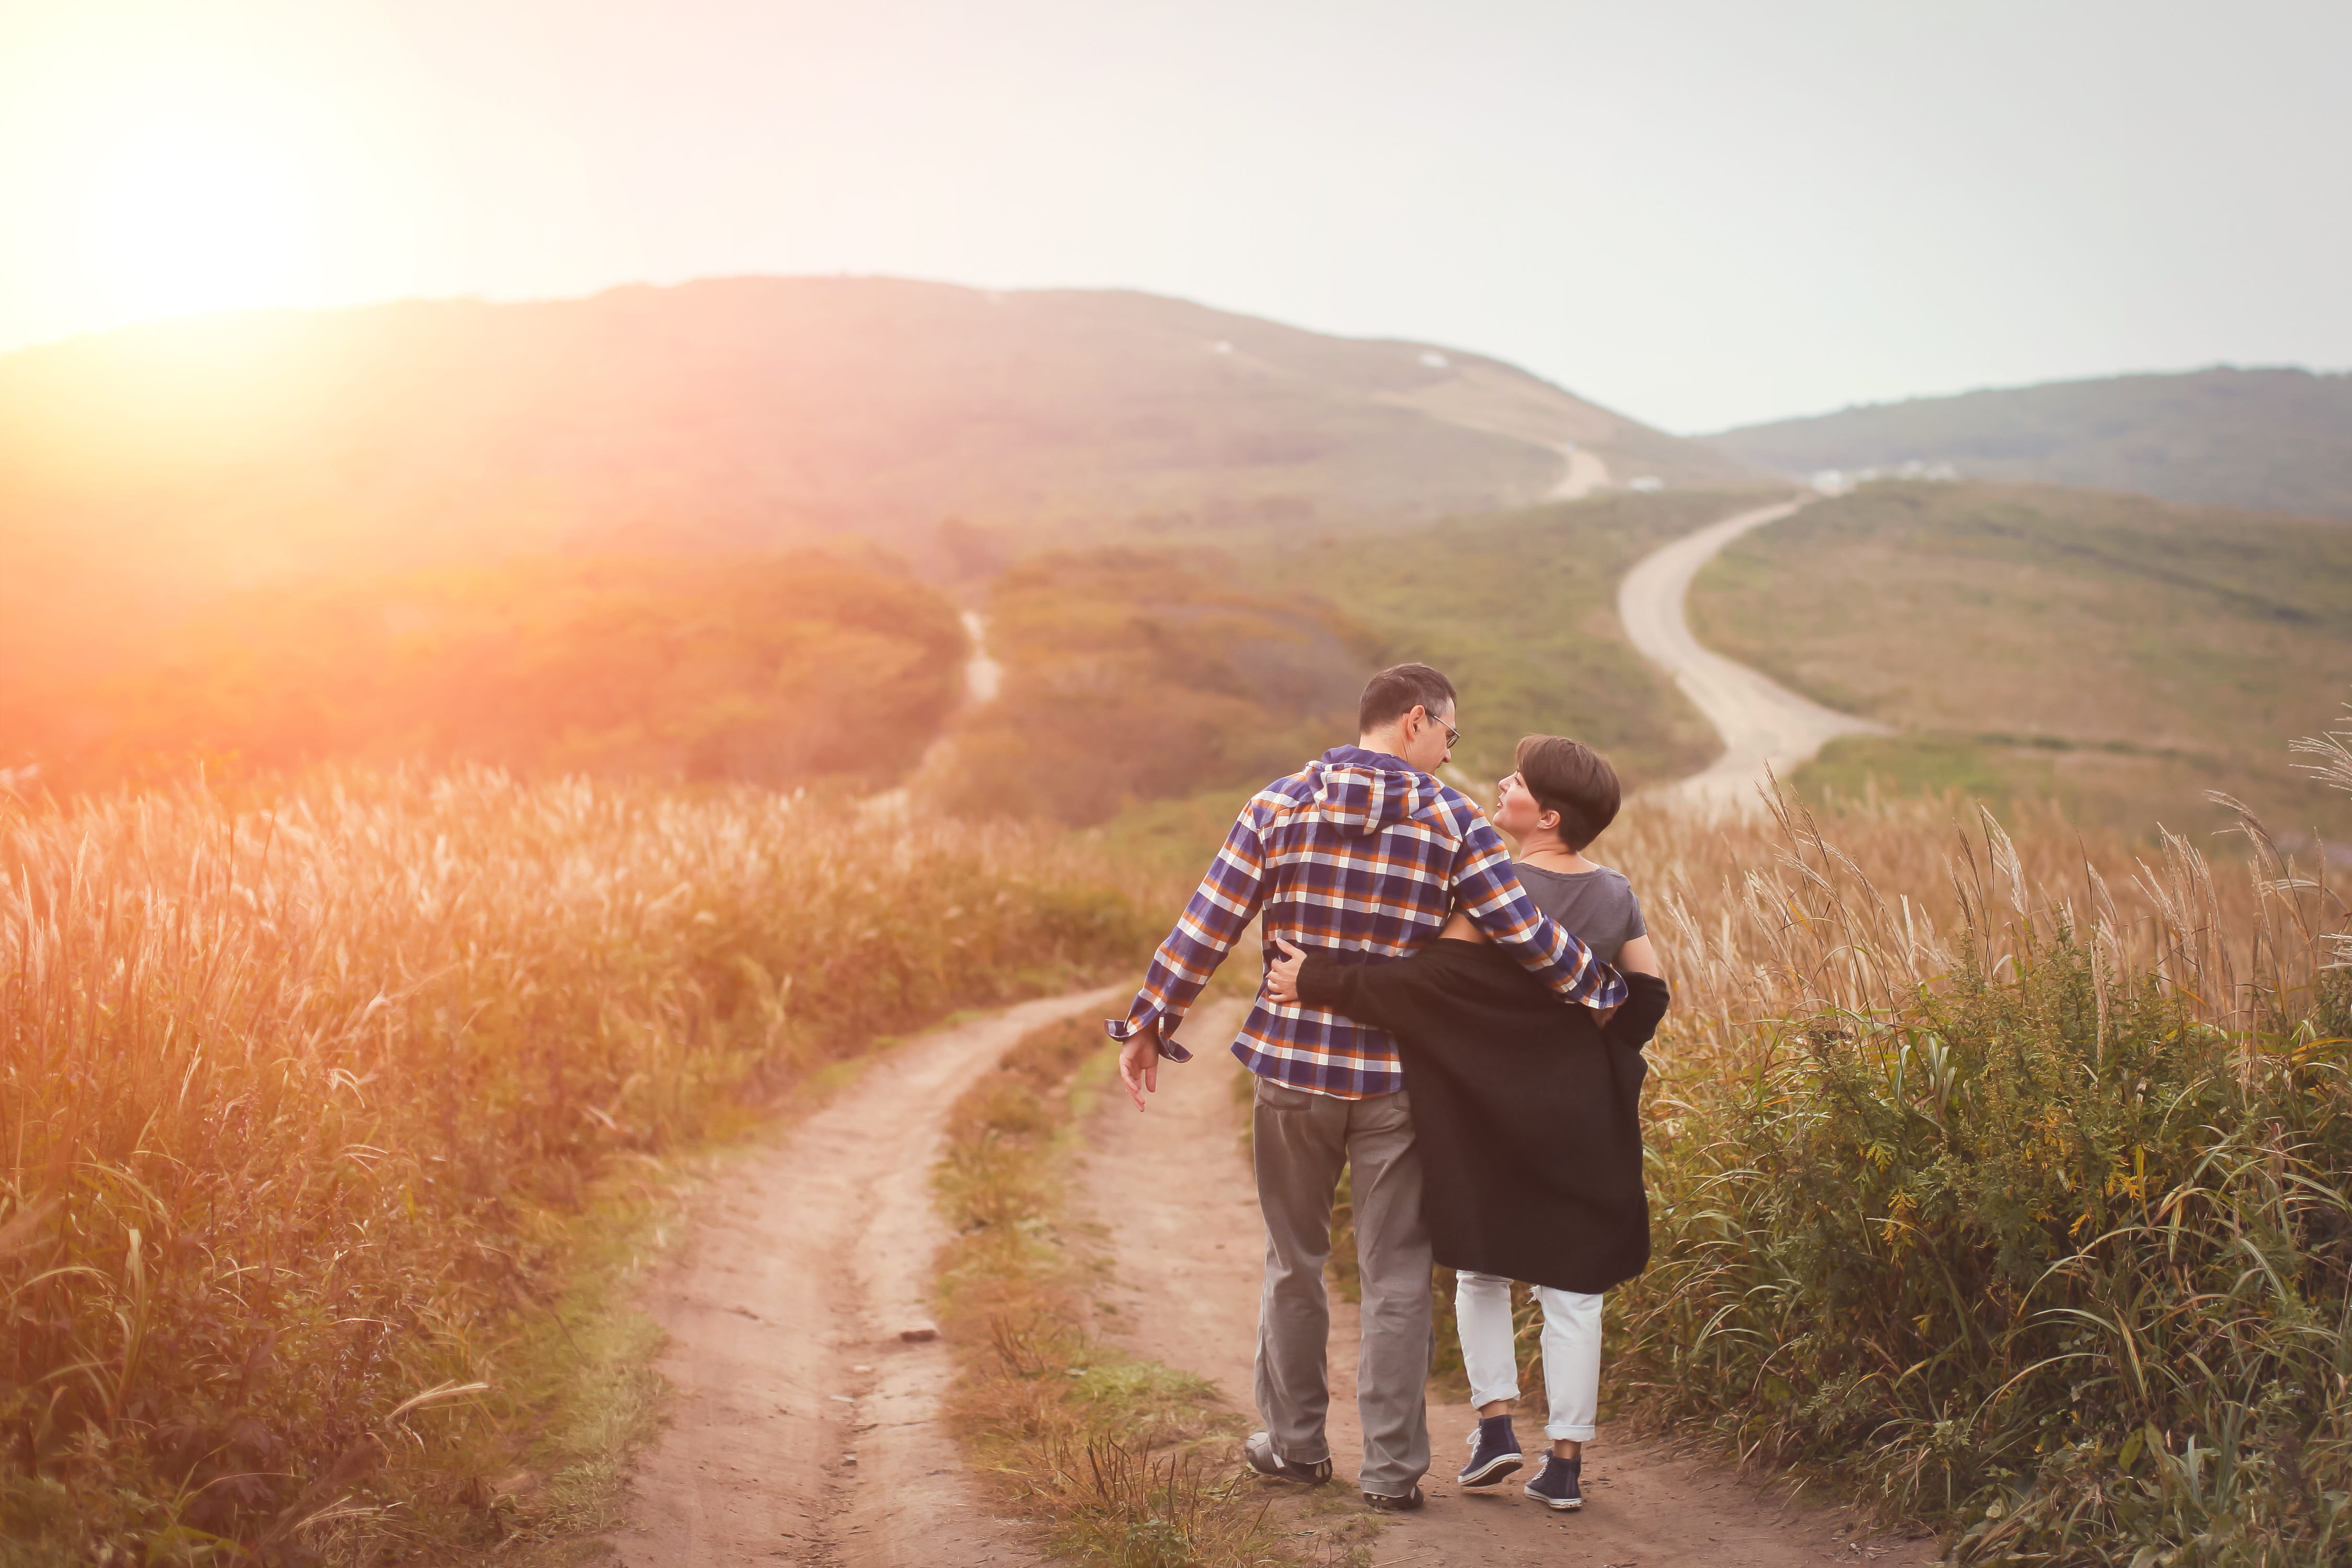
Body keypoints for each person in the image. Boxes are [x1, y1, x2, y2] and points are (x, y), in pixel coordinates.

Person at [1108, 667, 1626, 1512]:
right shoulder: (1455, 823)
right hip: (1397, 1083)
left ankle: (1297, 1448)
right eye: (1450, 738)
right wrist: (1607, 995)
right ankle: (1392, 1474)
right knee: (1395, 1281)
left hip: (1292, 1074)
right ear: (1415, 721)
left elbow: (1209, 921)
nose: (1453, 756)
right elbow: (1525, 935)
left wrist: (1148, 1022)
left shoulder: (1276, 804)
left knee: (1294, 1264)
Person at [1266, 735, 1667, 1514]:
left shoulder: (1494, 884)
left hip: (1487, 1107)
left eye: (1515, 782)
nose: (1500, 785)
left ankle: (1494, 1429)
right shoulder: (1617, 895)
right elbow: (1646, 1003)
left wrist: (1316, 977)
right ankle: (1566, 1464)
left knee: (1482, 1268)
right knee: (1574, 1289)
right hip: (1580, 1113)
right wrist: (1578, 1043)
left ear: (1545, 815)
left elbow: (1432, 984)